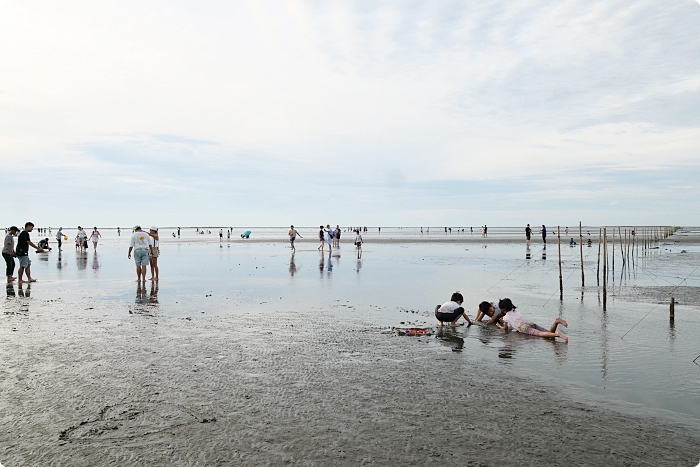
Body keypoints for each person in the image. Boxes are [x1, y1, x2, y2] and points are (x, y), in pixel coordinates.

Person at [496, 298, 568, 342]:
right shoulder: (515, 310)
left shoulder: (506, 317)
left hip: (524, 328)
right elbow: (515, 320)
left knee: (541, 334)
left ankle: (557, 334)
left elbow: (506, 328)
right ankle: (556, 321)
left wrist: (499, 326)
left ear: (503, 309)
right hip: (529, 323)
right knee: (550, 333)